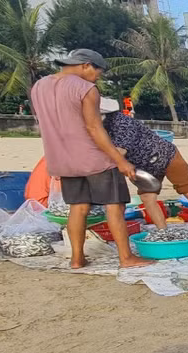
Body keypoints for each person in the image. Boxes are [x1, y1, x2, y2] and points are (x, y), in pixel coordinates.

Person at [30, 49, 150, 269]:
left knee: (78, 207)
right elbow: (95, 129)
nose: (98, 78)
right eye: (98, 72)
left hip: (61, 159)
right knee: (114, 205)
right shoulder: (86, 89)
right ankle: (126, 258)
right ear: (86, 65)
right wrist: (121, 161)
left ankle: (77, 259)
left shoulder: (39, 86)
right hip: (93, 159)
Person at [99, 97, 188, 227]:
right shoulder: (103, 128)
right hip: (144, 167)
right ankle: (162, 232)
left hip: (166, 156)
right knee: (147, 198)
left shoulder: (122, 124)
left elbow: (120, 152)